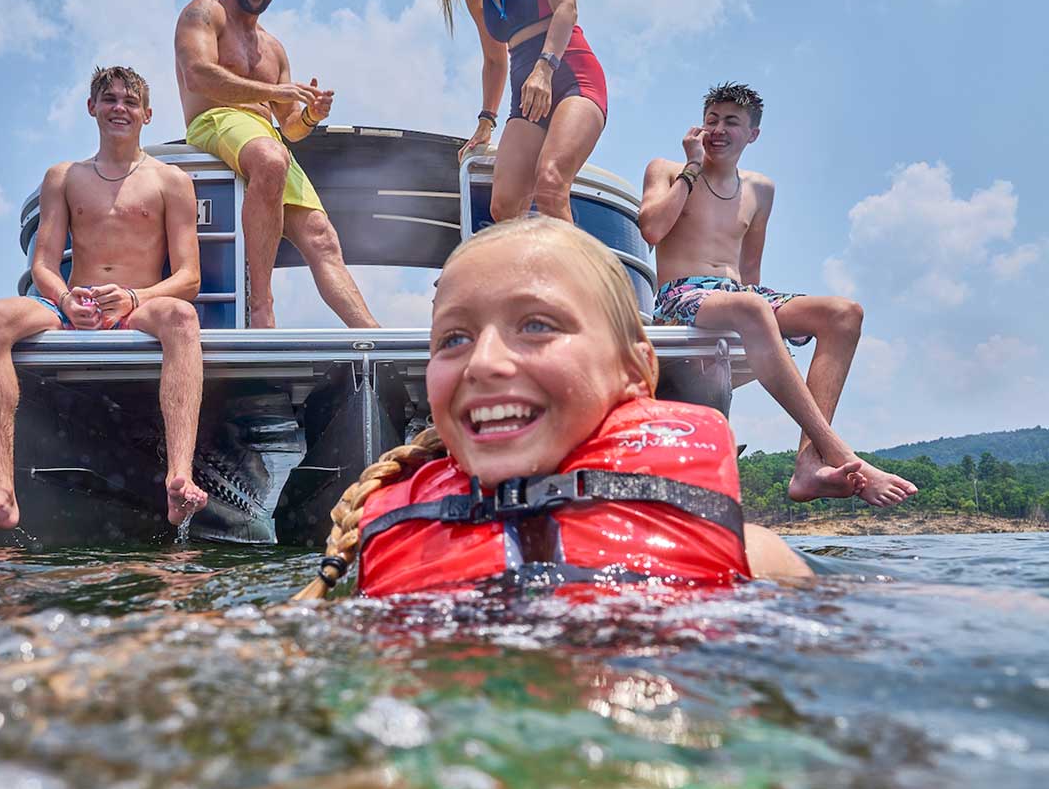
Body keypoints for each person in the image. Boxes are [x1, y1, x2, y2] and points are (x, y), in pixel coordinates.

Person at [295, 216, 812, 600]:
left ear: (634, 370)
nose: (484, 363)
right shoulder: (372, 564)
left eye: (537, 326)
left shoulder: (758, 563)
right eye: (454, 338)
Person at [0, 66, 209, 539]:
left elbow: (189, 278)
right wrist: (66, 297)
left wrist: (131, 297)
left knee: (182, 317)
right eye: (109, 99)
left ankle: (177, 477)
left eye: (129, 101)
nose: (119, 108)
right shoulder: (63, 177)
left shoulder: (171, 181)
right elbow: (44, 263)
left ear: (147, 114)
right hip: (70, 306)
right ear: (92, 108)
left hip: (136, 308)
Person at [637, 82, 918, 508]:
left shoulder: (761, 190)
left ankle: (808, 465)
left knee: (843, 313)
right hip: (681, 296)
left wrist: (765, 324)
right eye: (712, 119)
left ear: (752, 134)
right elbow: (651, 230)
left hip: (738, 295)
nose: (718, 129)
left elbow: (751, 271)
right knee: (751, 307)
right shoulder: (667, 169)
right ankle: (840, 453)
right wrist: (691, 169)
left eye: (731, 122)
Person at [174, 0, 378, 330]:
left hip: (266, 135)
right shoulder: (205, 12)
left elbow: (290, 127)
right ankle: (262, 307)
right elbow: (198, 75)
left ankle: (373, 340)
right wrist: (274, 91)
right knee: (270, 157)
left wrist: (311, 116)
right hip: (215, 119)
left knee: (322, 236)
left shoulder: (275, 49)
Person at [432, 0, 608, 224]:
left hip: (570, 71)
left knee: (550, 183)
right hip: (523, 86)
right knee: (504, 206)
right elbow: (494, 60)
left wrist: (545, 67)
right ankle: (528, 277)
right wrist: (486, 121)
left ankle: (576, 282)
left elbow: (566, 5)